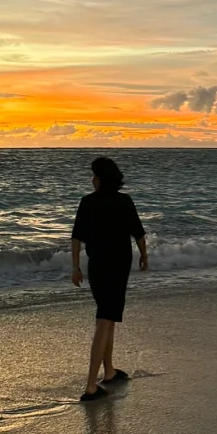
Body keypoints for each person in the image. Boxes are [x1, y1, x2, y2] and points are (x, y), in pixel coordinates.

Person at [71, 156, 148, 401]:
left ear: (102, 179)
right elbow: (139, 234)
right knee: (105, 319)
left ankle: (109, 371)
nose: (92, 180)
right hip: (117, 267)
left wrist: (76, 268)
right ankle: (90, 387)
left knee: (107, 317)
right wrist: (144, 256)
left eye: (94, 175)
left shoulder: (88, 203)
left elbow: (76, 238)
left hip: (97, 267)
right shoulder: (124, 202)